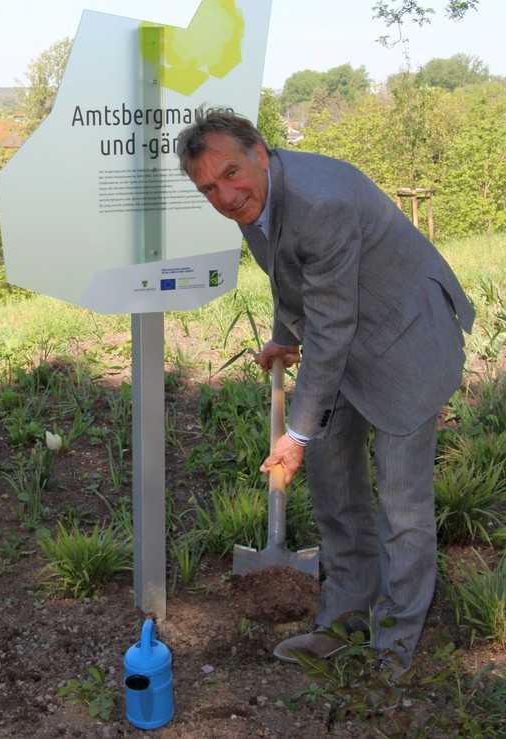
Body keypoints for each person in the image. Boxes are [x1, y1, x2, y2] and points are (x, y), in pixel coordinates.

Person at [176, 108, 474, 677]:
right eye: (207, 187)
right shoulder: (252, 196)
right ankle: (344, 621)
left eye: (231, 174)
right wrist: (285, 336)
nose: (223, 195)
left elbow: (334, 325)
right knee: (335, 488)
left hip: (405, 343)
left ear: (261, 152)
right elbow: (290, 272)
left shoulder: (322, 202)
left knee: (401, 508)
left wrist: (295, 434)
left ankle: (393, 644)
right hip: (343, 344)